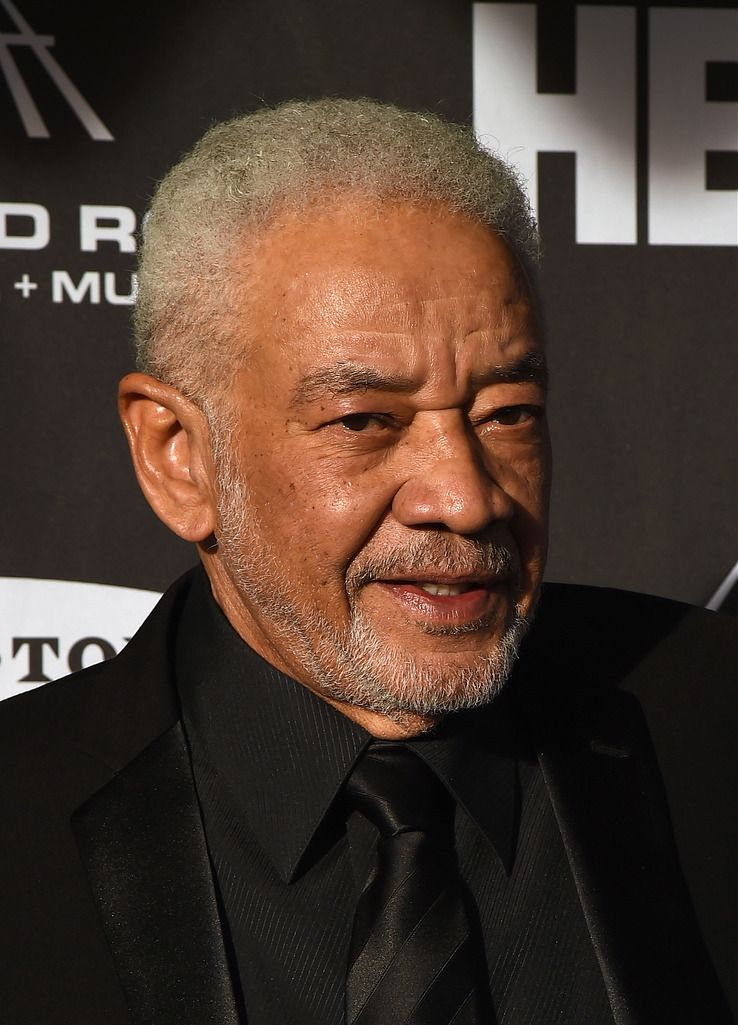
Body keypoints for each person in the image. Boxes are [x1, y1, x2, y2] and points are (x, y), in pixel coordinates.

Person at [0, 99, 734, 1025]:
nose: (464, 498)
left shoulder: (711, 718)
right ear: (177, 455)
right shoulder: (19, 826)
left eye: (507, 412)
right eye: (364, 422)